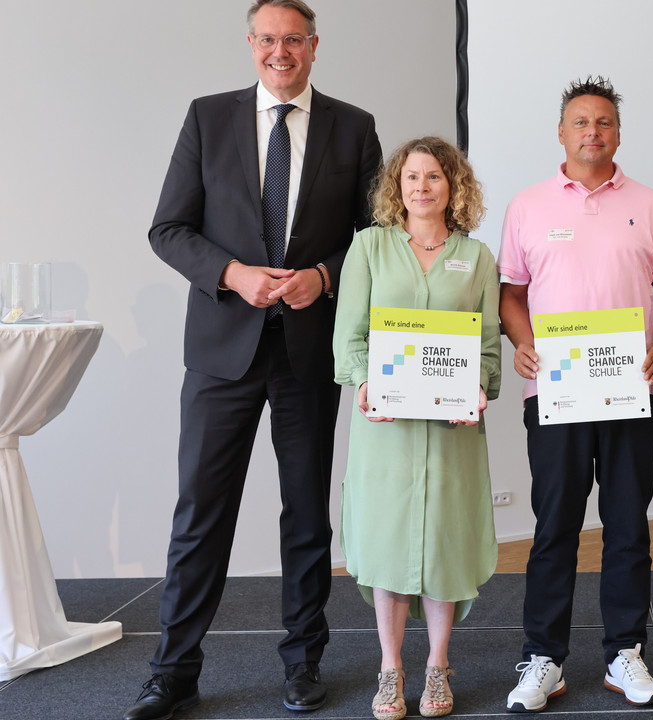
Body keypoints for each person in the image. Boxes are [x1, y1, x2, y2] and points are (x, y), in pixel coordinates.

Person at [127, 1, 381, 718]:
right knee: (200, 514)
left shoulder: (353, 126)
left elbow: (376, 237)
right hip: (220, 353)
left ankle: (303, 663)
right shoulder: (206, 118)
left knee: (306, 516)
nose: (280, 51)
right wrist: (232, 274)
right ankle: (173, 670)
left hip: (308, 351)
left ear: (313, 46)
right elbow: (168, 228)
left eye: (293, 39)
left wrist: (325, 276)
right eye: (268, 39)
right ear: (250, 46)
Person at [496, 76, 653, 712]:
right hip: (553, 394)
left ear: (617, 133)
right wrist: (522, 342)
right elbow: (512, 296)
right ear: (561, 132)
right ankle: (544, 659)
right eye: (581, 122)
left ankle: (623, 654)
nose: (592, 132)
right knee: (554, 527)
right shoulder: (527, 207)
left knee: (628, 526)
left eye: (604, 122)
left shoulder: (651, 205)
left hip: (633, 394)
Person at [333, 137, 500, 720]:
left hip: (452, 431)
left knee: (444, 547)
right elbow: (349, 337)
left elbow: (486, 347)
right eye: (411, 177)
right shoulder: (369, 249)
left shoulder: (476, 258)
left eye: (434, 177)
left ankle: (436, 668)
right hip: (388, 429)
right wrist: (363, 383)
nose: (422, 187)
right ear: (396, 187)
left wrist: (478, 388)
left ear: (453, 186)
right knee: (387, 548)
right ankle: (389, 669)